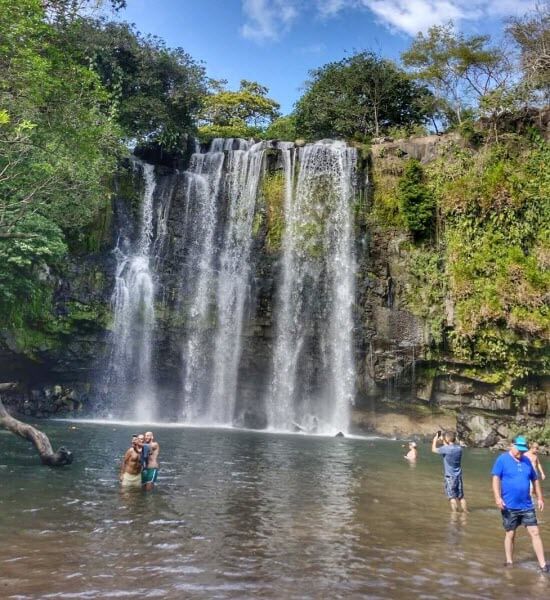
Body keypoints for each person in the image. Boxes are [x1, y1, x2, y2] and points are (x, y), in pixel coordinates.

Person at [491, 435, 548, 572]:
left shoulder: (527, 460)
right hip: (509, 505)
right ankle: (509, 562)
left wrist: (540, 498)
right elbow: (496, 479)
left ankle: (543, 565)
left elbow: (535, 480)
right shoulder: (502, 459)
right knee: (510, 533)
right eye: (518, 449)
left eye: (523, 450)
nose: (520, 453)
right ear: (512, 445)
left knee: (535, 532)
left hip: (527, 505)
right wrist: (498, 497)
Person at [432, 430, 467, 512]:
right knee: (461, 497)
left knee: (452, 497)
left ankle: (455, 514)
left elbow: (434, 449)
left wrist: (435, 440)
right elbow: (450, 446)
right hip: (458, 476)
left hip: (449, 477)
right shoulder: (459, 449)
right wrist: (445, 440)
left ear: (447, 439)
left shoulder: (445, 449)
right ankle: (465, 512)